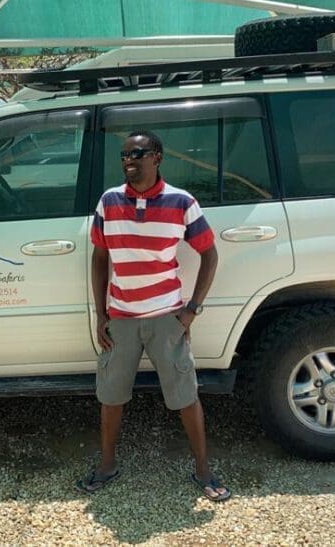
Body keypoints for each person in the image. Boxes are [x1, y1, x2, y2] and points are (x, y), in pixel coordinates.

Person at [76, 131, 229, 502]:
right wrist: (101, 314)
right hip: (121, 318)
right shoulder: (109, 201)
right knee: (111, 397)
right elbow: (100, 258)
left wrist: (191, 311)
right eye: (125, 154)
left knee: (185, 395)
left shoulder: (181, 202)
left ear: (157, 157)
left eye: (138, 153)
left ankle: (203, 471)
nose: (130, 160)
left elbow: (209, 254)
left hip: (167, 318)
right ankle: (107, 465)